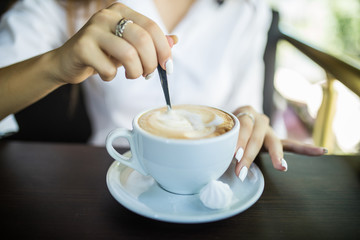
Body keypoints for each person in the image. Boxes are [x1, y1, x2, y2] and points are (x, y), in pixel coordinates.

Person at [0, 0, 326, 181]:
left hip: (211, 185)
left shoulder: (246, 11)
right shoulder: (70, 6)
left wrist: (250, 122)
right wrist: (55, 63)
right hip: (109, 180)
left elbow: (245, 108)